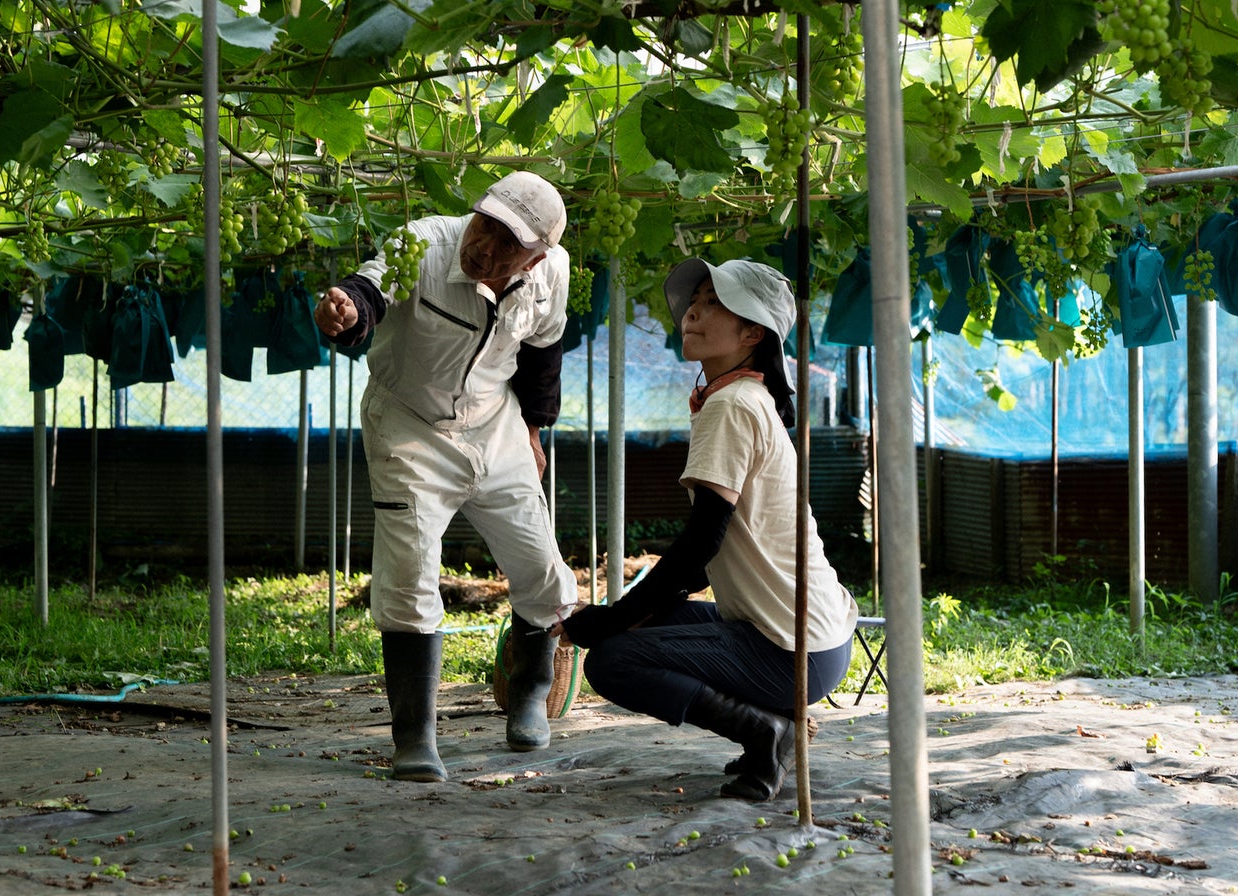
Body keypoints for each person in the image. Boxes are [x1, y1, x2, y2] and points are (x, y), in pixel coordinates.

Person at [562, 257, 856, 801]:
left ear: (753, 333)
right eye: (695, 299)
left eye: (714, 302)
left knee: (613, 659)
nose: (693, 311)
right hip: (817, 640)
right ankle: (769, 728)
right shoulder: (743, 398)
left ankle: (765, 730)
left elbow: (701, 545)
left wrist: (612, 618)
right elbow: (700, 557)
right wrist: (629, 614)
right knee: (643, 626)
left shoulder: (732, 405)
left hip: (792, 654)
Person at [314, 176, 577, 782]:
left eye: (506, 242)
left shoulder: (552, 275)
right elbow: (368, 291)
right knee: (408, 574)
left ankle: (530, 691)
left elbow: (542, 353)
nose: (484, 246)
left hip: (497, 426)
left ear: (535, 257)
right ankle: (415, 737)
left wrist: (535, 431)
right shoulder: (424, 244)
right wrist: (346, 313)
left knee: (540, 568)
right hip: (408, 423)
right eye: (483, 224)